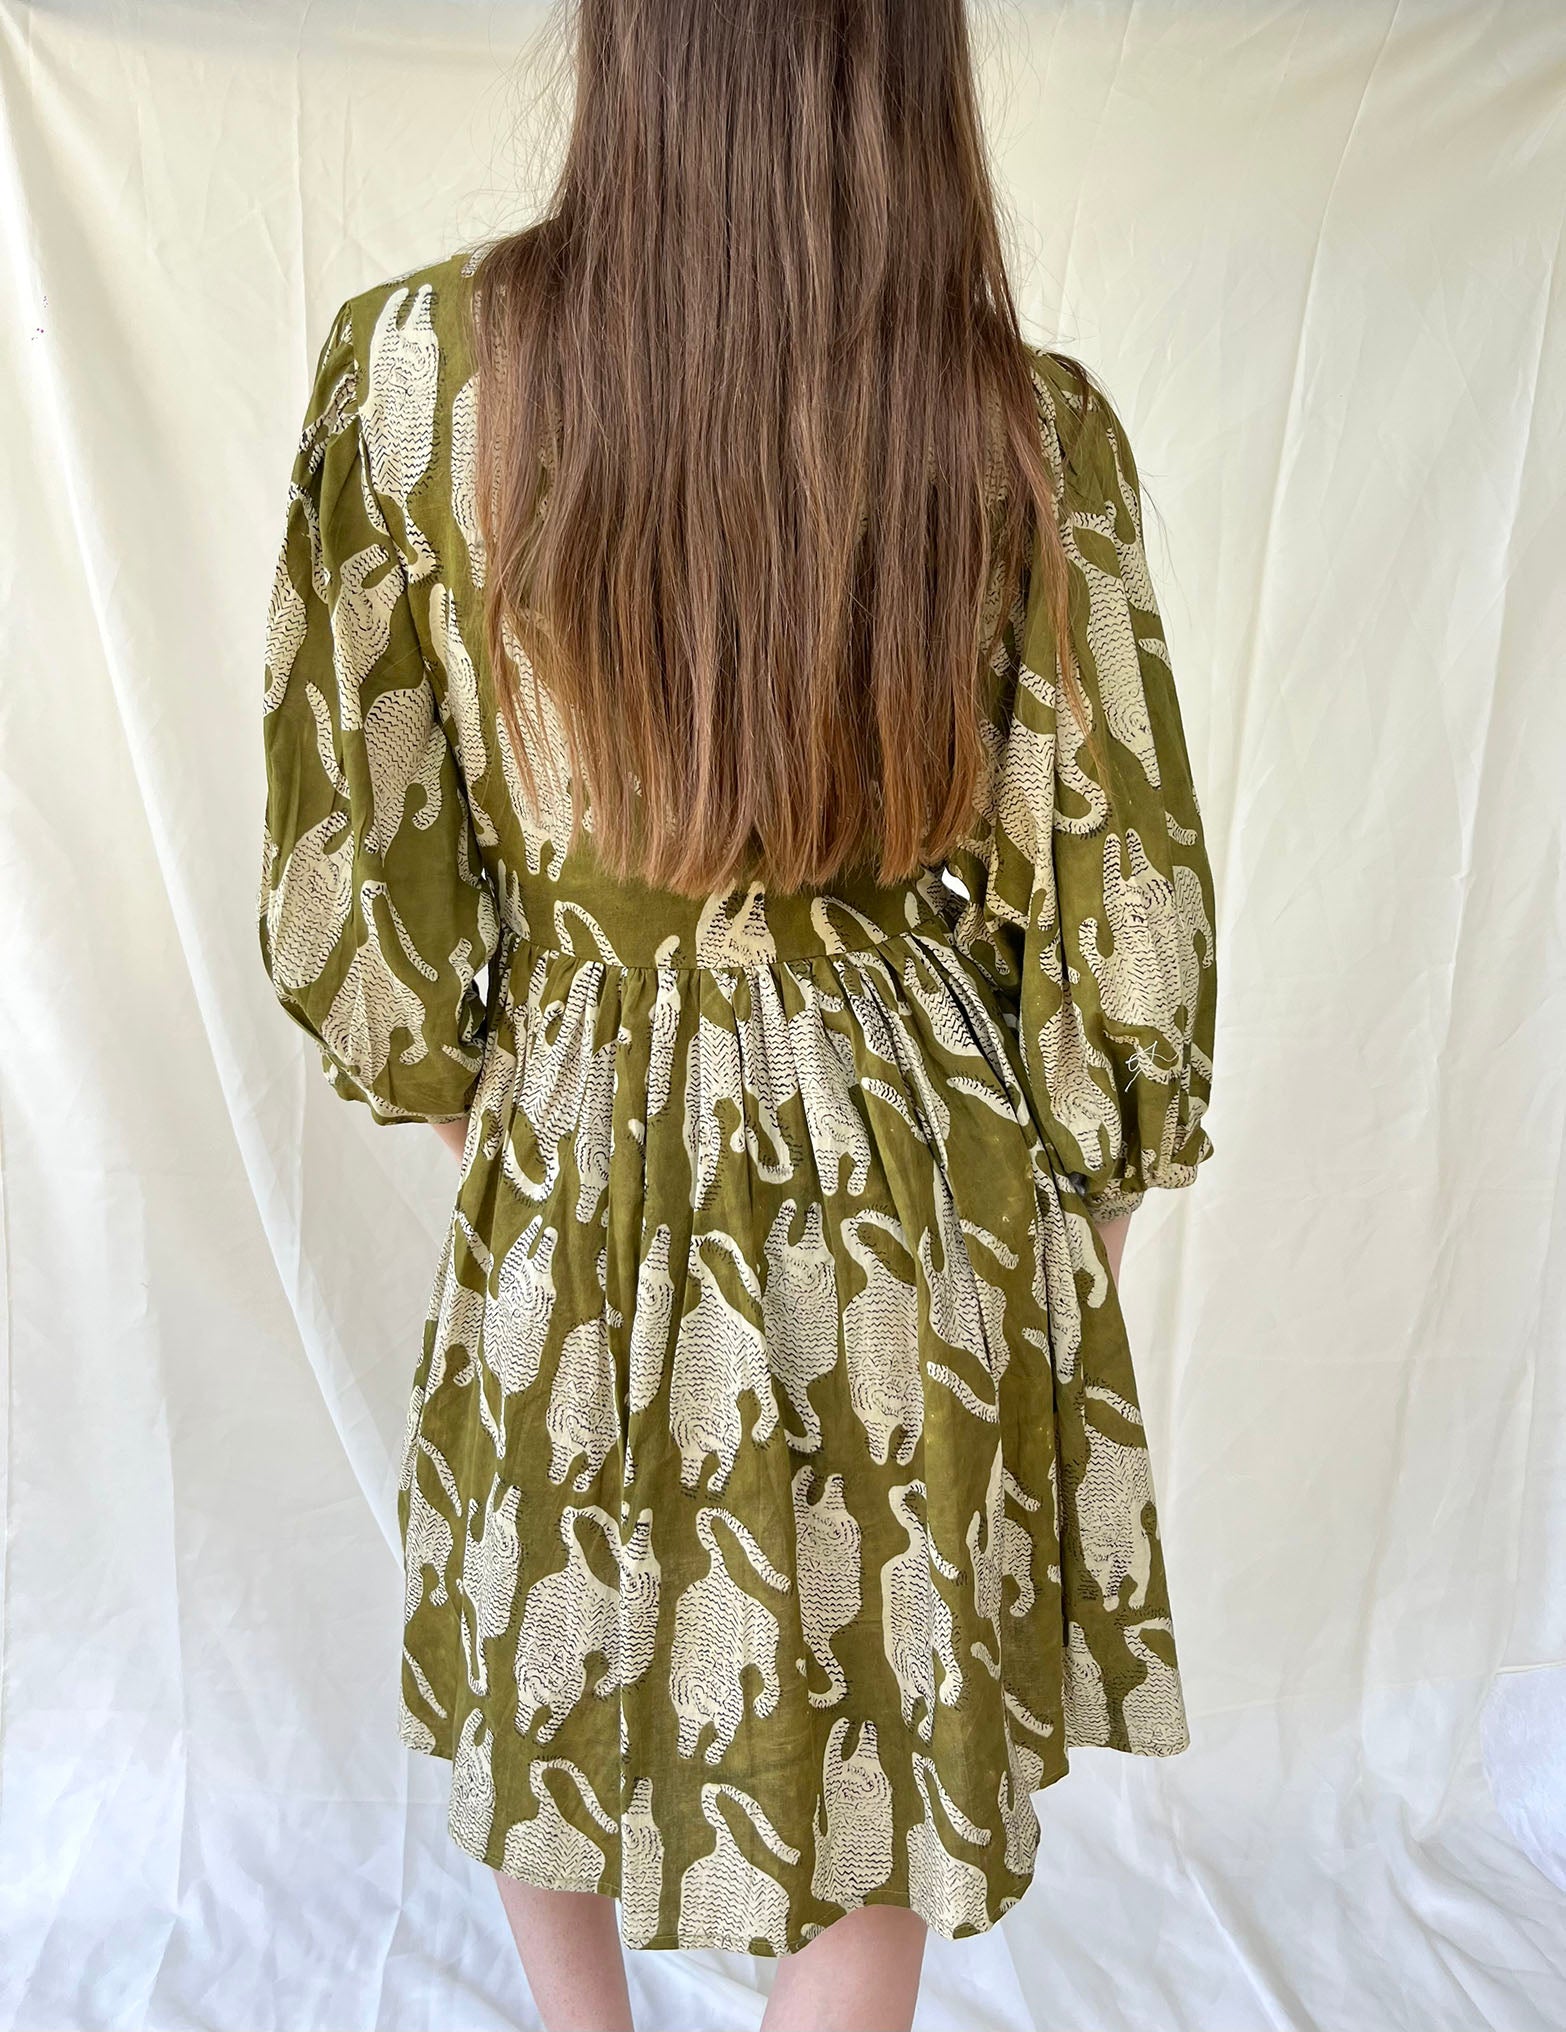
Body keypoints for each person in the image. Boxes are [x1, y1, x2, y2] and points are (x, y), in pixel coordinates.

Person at [256, 2, 1217, 2025]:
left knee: (547, 1628)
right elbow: (1111, 914)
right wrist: (1043, 1275)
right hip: (918, 1181)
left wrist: (521, 1124)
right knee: (879, 1719)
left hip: (575, 1133)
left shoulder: (423, 375)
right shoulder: (1014, 428)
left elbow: (373, 853)